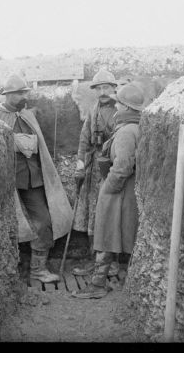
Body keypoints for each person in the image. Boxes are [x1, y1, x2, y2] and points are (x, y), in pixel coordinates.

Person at [0, 75, 73, 283]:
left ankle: (38, 269)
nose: (23, 97)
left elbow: (40, 148)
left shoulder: (27, 115)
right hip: (8, 184)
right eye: (18, 93)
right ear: (7, 95)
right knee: (7, 226)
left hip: (33, 180)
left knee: (43, 221)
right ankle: (6, 273)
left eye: (24, 92)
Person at [72, 83, 145, 299]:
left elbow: (122, 165)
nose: (117, 106)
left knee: (105, 233)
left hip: (118, 192)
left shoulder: (126, 132)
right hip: (125, 191)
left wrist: (108, 188)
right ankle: (117, 280)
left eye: (120, 103)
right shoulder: (132, 127)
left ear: (127, 107)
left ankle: (97, 284)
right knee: (115, 234)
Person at [72, 69, 119, 277]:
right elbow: (84, 140)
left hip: (113, 170)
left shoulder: (120, 110)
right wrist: (80, 166)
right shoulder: (93, 110)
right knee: (93, 215)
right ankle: (96, 262)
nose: (103, 92)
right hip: (94, 170)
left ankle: (113, 264)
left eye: (106, 87)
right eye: (99, 88)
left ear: (114, 88)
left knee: (110, 215)